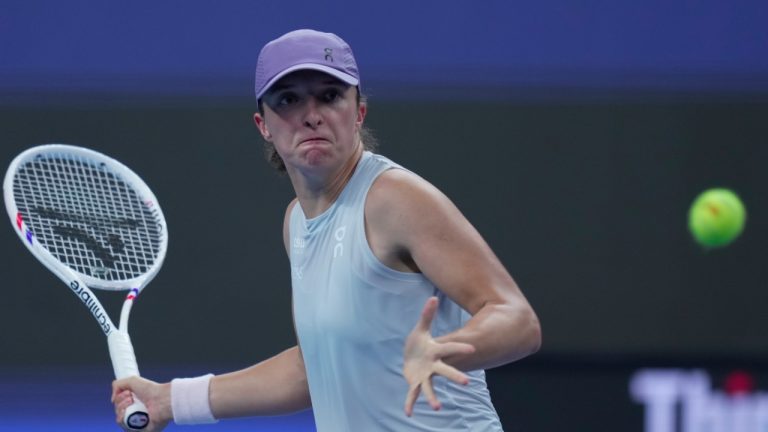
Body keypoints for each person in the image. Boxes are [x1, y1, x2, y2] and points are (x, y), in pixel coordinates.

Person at [112, 28, 541, 431]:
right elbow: (311, 369)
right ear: (263, 126)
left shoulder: (396, 199)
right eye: (288, 100)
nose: (311, 116)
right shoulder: (296, 221)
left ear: (358, 112)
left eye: (330, 96)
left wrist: (443, 350)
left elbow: (517, 320)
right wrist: (171, 401)